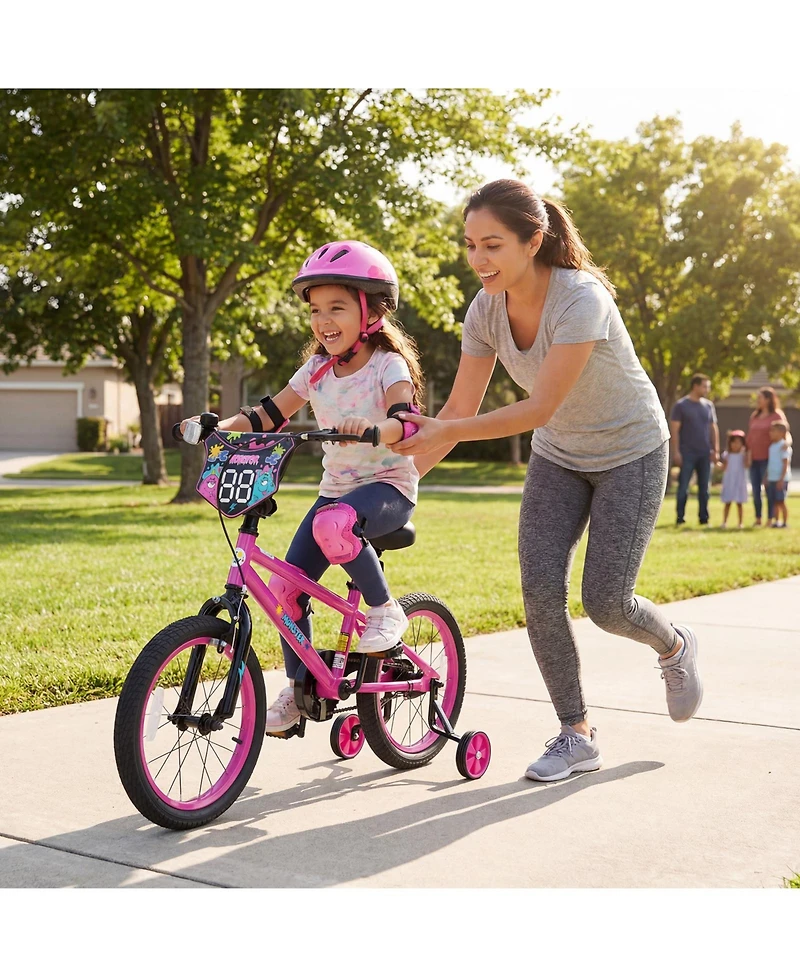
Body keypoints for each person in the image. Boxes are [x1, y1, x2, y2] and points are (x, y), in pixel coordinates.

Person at [391, 178, 703, 782]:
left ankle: (674, 645)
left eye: (493, 245)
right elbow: (457, 411)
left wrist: (439, 430)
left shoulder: (581, 298)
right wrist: (401, 483)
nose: (478, 259)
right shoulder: (485, 310)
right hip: (560, 456)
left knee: (607, 603)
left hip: (631, 452)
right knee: (539, 592)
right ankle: (576, 733)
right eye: (470, 245)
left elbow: (538, 408)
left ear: (533, 242)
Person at [181, 241, 424, 731]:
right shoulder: (316, 370)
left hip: (388, 489)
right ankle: (300, 690)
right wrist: (216, 427)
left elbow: (407, 419)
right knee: (285, 592)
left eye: (336, 307)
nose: (322, 320)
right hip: (336, 493)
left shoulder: (387, 365)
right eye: (315, 310)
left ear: (371, 312)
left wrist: (375, 428)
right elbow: (268, 414)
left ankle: (385, 610)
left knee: (335, 523)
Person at [669, 374, 719, 527]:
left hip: (705, 453)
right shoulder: (681, 406)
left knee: (705, 489)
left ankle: (704, 519)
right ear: (695, 386)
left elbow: (713, 428)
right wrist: (676, 452)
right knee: (683, 487)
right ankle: (680, 518)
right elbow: (674, 430)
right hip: (687, 453)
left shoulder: (708, 406)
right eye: (704, 386)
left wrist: (715, 449)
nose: (707, 389)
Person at [746, 387, 788, 526]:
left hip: (768, 460)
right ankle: (758, 518)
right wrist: (748, 455)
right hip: (754, 458)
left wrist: (787, 444)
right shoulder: (755, 416)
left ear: (768, 399)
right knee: (755, 490)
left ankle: (770, 519)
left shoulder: (777, 415)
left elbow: (786, 433)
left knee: (769, 491)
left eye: (760, 398)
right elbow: (750, 437)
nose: (757, 400)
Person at [765, 420, 792, 529]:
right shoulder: (772, 446)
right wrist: (767, 476)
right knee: (774, 501)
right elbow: (770, 463)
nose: (770, 433)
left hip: (781, 479)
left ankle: (785, 522)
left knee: (781, 501)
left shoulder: (784, 446)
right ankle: (777, 521)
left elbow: (785, 463)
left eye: (773, 431)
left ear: (781, 432)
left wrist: (781, 479)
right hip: (772, 478)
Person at [719, 430, 748, 529]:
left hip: (739, 481)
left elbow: (747, 465)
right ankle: (724, 522)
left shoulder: (743, 455)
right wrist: (715, 462)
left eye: (738, 443)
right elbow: (723, 467)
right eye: (734, 442)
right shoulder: (727, 455)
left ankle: (740, 523)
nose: (736, 445)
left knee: (739, 503)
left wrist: (748, 453)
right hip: (729, 481)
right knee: (728, 503)